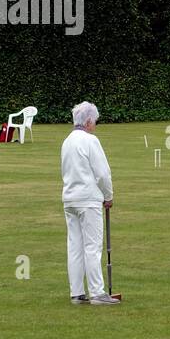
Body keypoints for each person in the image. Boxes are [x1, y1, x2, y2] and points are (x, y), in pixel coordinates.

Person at [61, 101, 118, 304]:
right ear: (87, 121)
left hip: (69, 199)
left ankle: (77, 293)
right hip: (88, 199)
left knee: (75, 246)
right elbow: (103, 173)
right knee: (92, 246)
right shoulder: (90, 141)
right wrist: (108, 196)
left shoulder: (67, 141)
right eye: (94, 121)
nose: (95, 125)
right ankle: (97, 293)